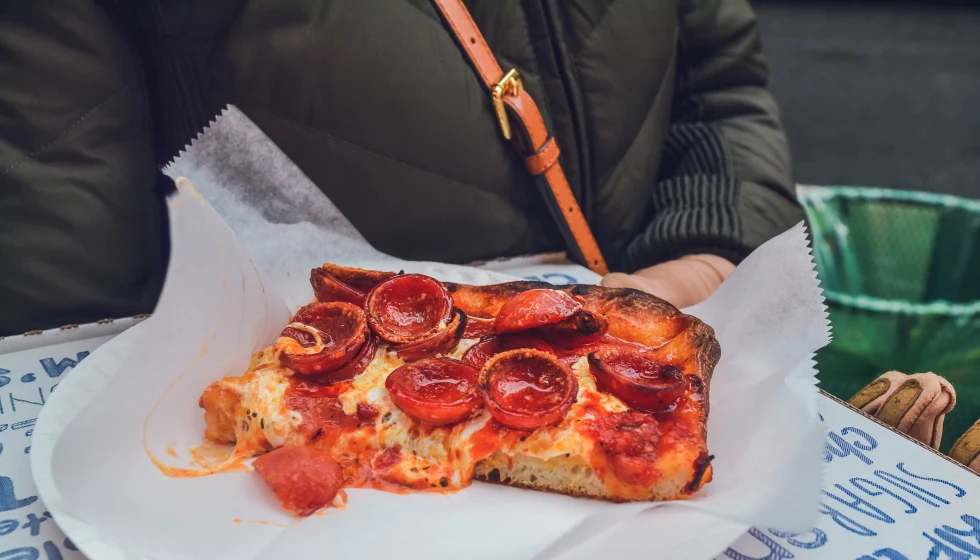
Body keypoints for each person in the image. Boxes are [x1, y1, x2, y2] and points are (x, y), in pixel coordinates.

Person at [0, 0, 803, 336]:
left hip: (649, 389)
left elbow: (717, 84)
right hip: (294, 505)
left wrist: (710, 255)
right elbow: (67, 293)